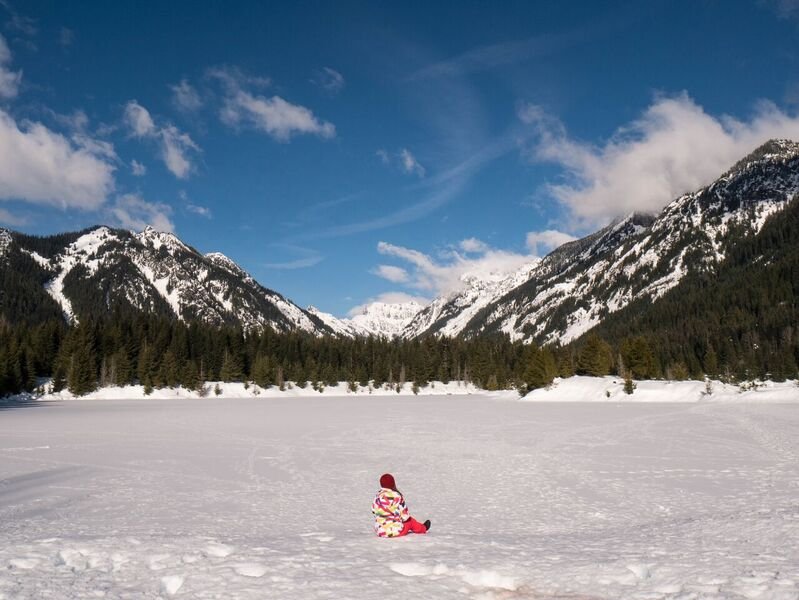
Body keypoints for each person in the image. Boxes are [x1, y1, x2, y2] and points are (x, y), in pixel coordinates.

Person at [372, 473, 430, 538]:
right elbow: (405, 516)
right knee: (410, 521)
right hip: (395, 531)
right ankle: (423, 528)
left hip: (380, 531)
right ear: (393, 483)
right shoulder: (397, 496)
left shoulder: (377, 496)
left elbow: (374, 511)